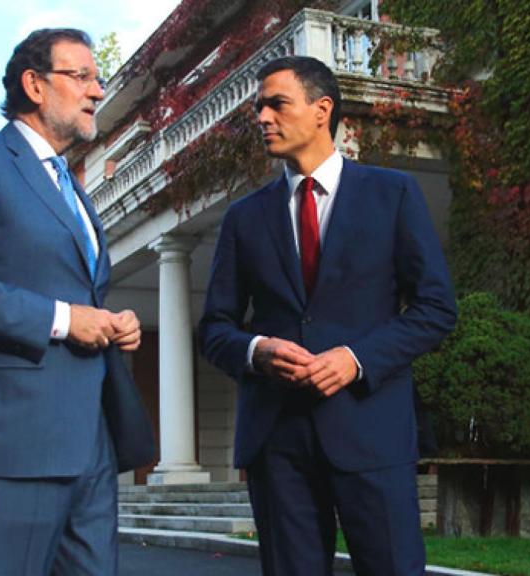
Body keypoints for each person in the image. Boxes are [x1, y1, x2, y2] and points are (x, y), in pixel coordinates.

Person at [0, 28, 154, 576]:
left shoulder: (72, 186)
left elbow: (72, 288)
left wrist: (113, 322)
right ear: (35, 85)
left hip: (90, 440)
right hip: (12, 437)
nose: (97, 90)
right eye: (81, 76)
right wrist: (62, 320)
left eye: (97, 78)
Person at [199, 56, 457, 575]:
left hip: (373, 429)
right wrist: (257, 350)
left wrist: (356, 359)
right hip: (277, 439)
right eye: (259, 108)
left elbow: (435, 308)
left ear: (322, 110)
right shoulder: (244, 218)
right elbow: (213, 328)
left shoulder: (393, 194)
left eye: (277, 104)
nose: (262, 117)